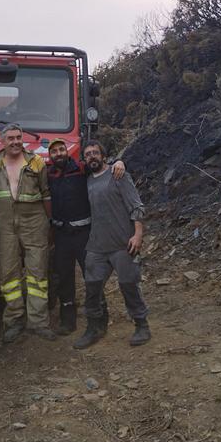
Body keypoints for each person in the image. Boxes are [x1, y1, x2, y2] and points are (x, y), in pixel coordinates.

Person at [75, 140, 150, 350]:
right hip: (97, 245)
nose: (91, 156)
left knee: (129, 285)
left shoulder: (119, 175)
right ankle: (94, 328)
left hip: (122, 243)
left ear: (103, 155)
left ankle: (142, 324)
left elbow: (136, 205)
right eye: (87, 154)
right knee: (92, 288)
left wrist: (138, 234)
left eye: (95, 153)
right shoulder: (87, 180)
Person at [47, 139, 125, 335]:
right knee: (64, 277)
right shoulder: (49, 174)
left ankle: (100, 318)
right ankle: (68, 321)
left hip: (84, 235)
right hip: (61, 235)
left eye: (61, 149)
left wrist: (120, 162)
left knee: (92, 276)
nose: (58, 153)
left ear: (67, 151)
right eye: (54, 151)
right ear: (50, 156)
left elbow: (102, 166)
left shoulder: (81, 169)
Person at [0, 123, 54, 343]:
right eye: (11, 138)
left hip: (34, 223)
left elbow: (46, 194)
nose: (15, 141)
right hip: (6, 226)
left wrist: (49, 223)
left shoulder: (36, 162)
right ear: (2, 141)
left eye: (18, 137)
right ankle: (13, 320)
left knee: (37, 272)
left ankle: (38, 322)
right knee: (9, 275)